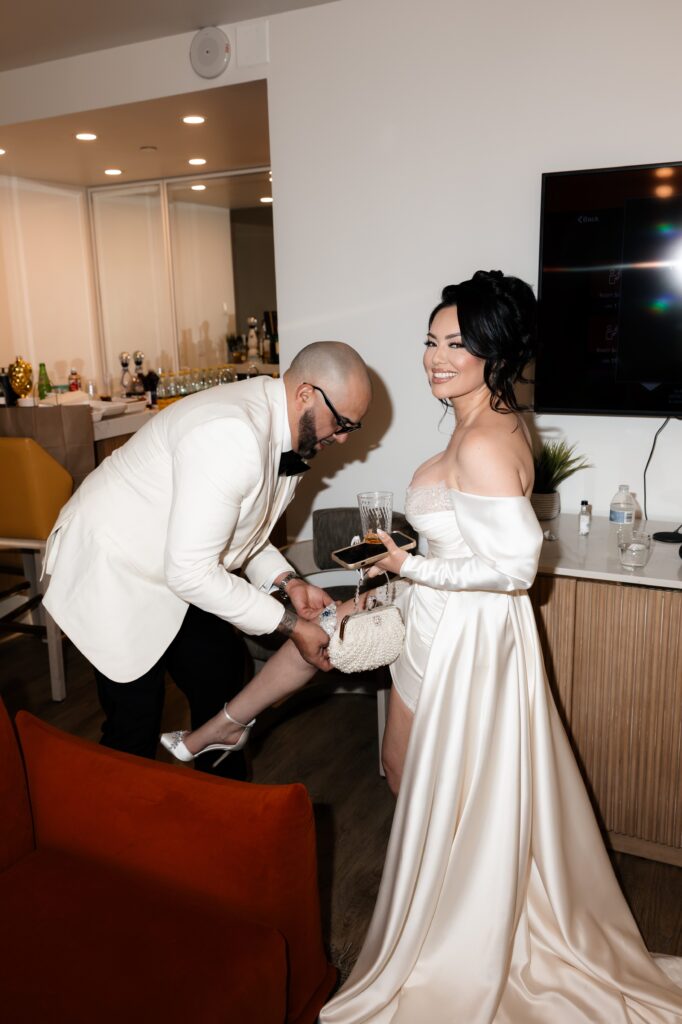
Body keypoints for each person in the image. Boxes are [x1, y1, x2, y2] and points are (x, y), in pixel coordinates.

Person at [318, 271, 682, 1021]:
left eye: (458, 342)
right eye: (431, 340)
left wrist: (407, 563)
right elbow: (475, 534)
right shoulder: (490, 418)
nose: (436, 357)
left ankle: (457, 934)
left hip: (462, 637)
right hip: (445, 623)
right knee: (427, 777)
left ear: (495, 351)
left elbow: (517, 568)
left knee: (431, 780)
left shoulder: (484, 437)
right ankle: (459, 915)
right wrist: (408, 559)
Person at [42, 341, 372, 780]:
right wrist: (292, 625)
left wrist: (288, 582)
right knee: (134, 725)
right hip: (115, 565)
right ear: (305, 394)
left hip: (174, 567)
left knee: (220, 670)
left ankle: (223, 810)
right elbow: (192, 571)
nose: (345, 437)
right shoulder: (232, 433)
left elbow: (238, 533)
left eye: (354, 425)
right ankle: (116, 838)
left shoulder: (280, 427)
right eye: (342, 422)